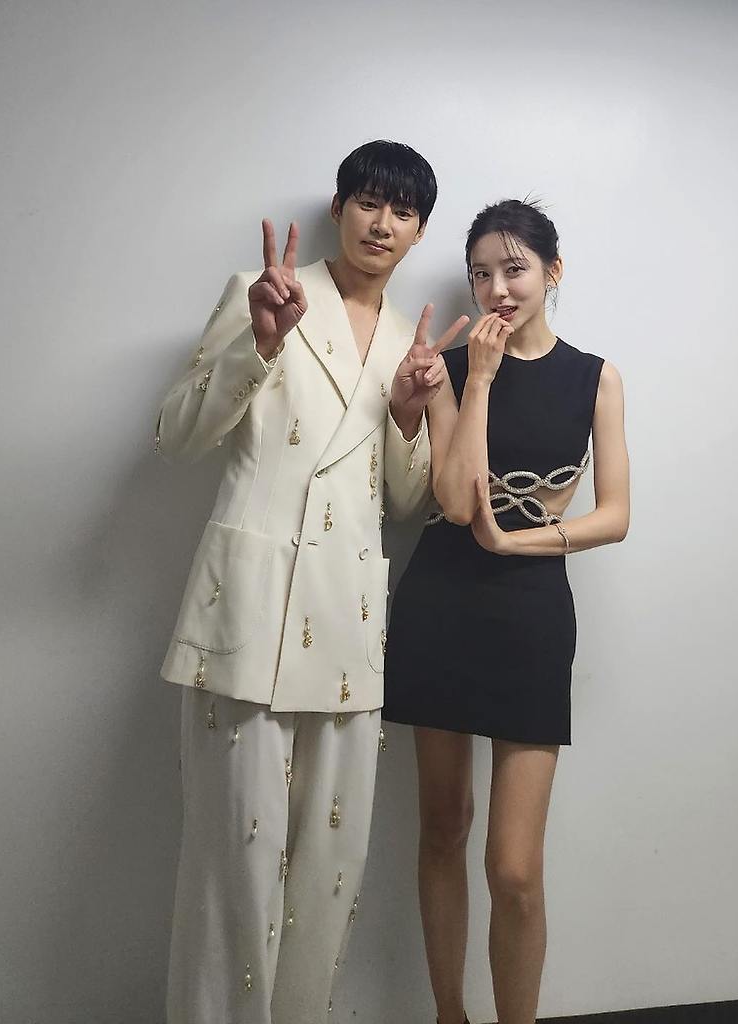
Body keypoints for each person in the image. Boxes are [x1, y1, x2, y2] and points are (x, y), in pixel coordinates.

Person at [155, 139, 467, 1024]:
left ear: (419, 232)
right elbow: (175, 434)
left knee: (333, 871)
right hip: (248, 615)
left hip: (347, 627)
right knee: (234, 869)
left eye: (402, 212)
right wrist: (259, 344)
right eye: (368, 202)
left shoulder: (411, 342)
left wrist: (407, 416)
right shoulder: (267, 294)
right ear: (338, 208)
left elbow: (401, 503)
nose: (382, 223)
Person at [383, 199, 631, 1024]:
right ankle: (449, 1016)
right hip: (441, 605)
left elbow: (615, 515)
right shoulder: (452, 368)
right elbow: (457, 503)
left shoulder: (595, 377)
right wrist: (480, 378)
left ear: (552, 272)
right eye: (481, 273)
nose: (497, 288)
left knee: (514, 869)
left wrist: (516, 542)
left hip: (530, 613)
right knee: (443, 827)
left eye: (515, 269)